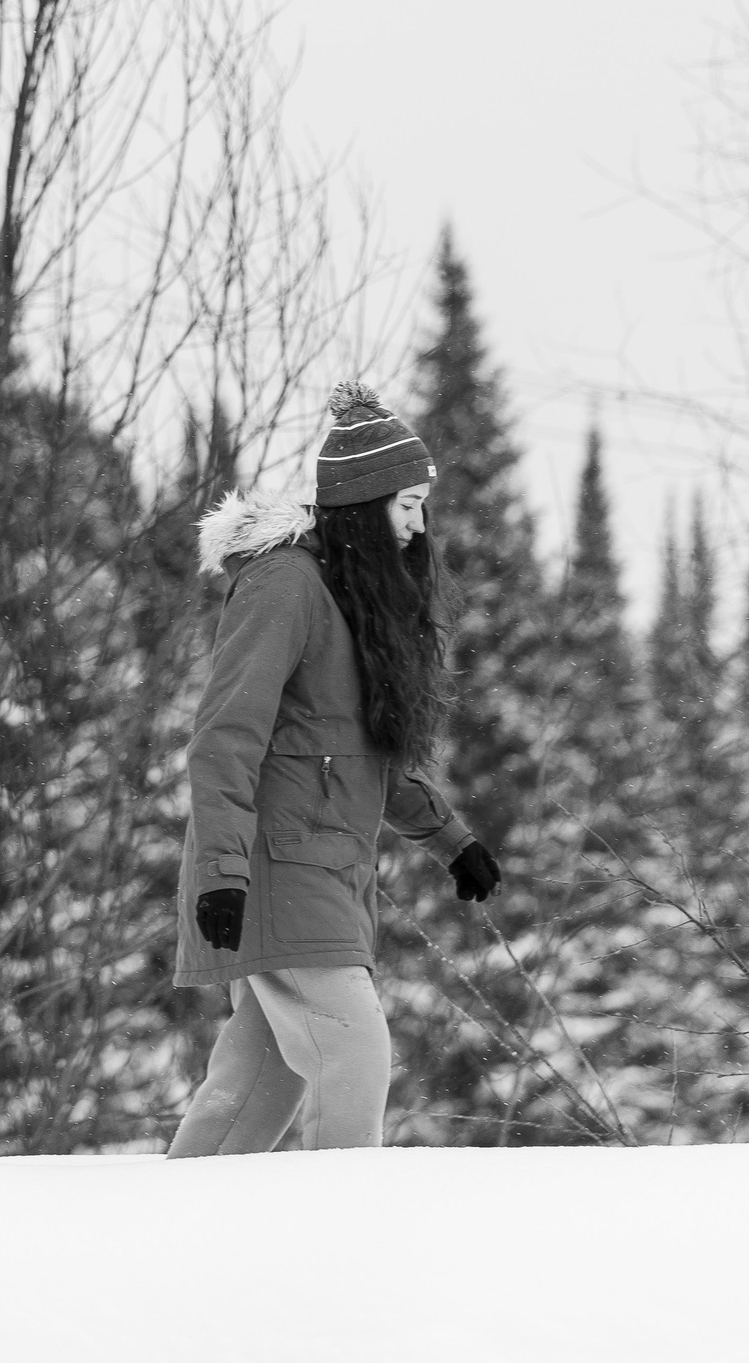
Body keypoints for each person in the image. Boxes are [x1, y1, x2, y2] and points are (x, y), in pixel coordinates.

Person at [166, 379, 504, 1157]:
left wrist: (452, 840)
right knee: (353, 1050)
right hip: (273, 866)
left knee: (255, 1085)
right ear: (361, 505)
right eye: (406, 505)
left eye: (423, 506)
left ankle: (173, 1242)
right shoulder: (286, 584)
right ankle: (343, 1240)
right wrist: (222, 870)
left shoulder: (352, 602)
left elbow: (361, 752)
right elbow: (225, 736)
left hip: (326, 869)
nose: (419, 528)